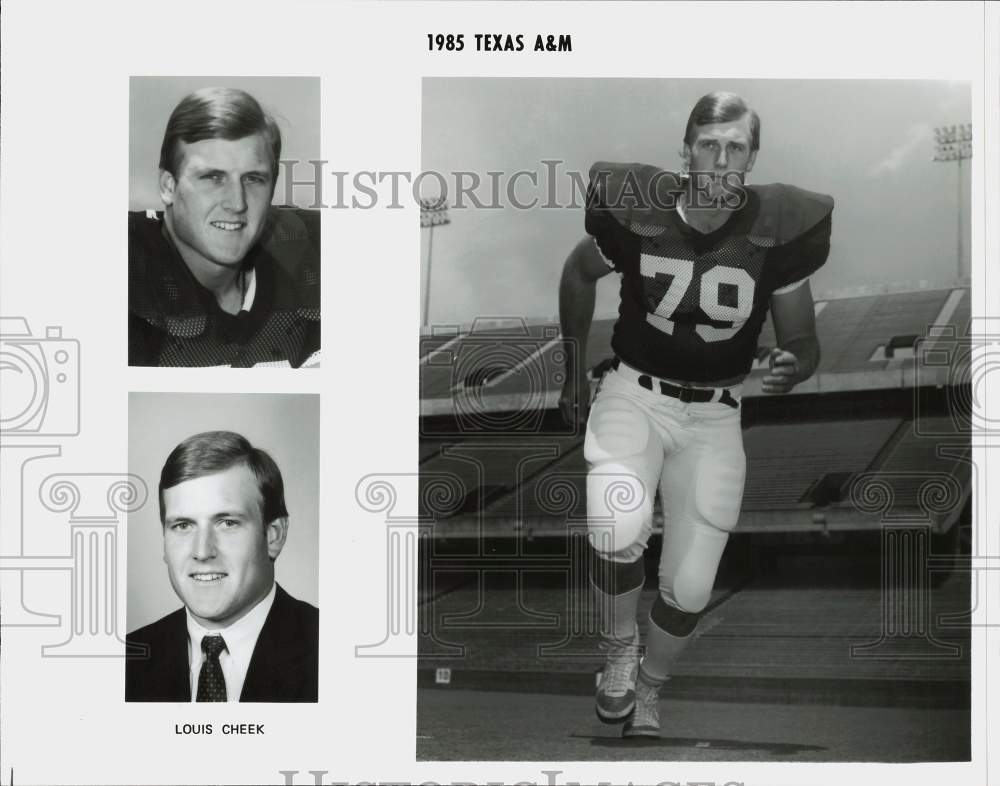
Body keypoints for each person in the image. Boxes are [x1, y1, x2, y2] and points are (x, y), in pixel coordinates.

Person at [558, 92, 833, 737]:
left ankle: (651, 687)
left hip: (714, 416)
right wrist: (574, 375)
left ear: (753, 157)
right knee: (616, 520)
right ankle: (621, 649)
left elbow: (805, 341)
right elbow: (577, 274)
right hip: (633, 392)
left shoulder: (777, 232)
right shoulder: (642, 211)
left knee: (691, 586)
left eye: (736, 146)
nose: (721, 157)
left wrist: (798, 361)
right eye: (709, 144)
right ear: (685, 151)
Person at [129, 87, 320, 367]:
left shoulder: (309, 248)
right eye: (212, 177)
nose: (237, 202)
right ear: (168, 186)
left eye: (253, 179)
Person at [126, 431, 318, 702]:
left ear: (274, 535)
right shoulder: (125, 661)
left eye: (227, 523)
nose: (202, 552)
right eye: (183, 525)